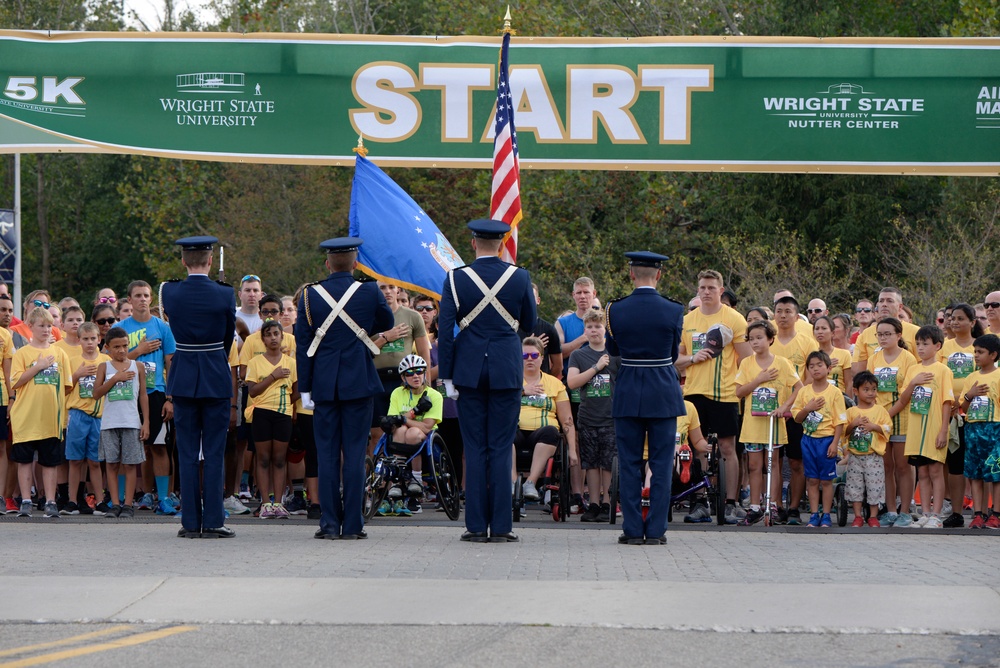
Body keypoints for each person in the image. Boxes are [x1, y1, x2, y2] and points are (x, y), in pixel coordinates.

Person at [438, 219, 536, 543]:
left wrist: (448, 376)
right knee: (500, 447)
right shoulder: (520, 277)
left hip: (467, 369)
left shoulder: (455, 278)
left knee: (475, 448)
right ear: (503, 243)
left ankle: (477, 526)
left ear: (473, 243)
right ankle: (503, 527)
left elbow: (446, 335)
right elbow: (530, 324)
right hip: (507, 368)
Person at [295, 237, 393, 540]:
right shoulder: (368, 291)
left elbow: (303, 346)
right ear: (354, 263)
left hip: (324, 383)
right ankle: (352, 525)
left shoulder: (310, 296)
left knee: (326, 456)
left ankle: (328, 525)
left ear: (327, 263)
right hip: (358, 382)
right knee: (353, 455)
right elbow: (386, 321)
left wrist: (306, 388)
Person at [605, 251, 685, 545]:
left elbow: (613, 350)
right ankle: (655, 531)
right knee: (662, 463)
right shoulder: (674, 310)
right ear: (659, 275)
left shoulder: (615, 309)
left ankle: (633, 530)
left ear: (631, 274)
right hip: (663, 389)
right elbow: (674, 353)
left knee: (629, 463)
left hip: (628, 390)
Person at [160, 236, 237, 539]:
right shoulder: (224, 293)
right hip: (215, 373)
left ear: (183, 261)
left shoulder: (170, 291)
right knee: (215, 452)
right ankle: (214, 520)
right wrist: (217, 355)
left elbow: (171, 321)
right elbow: (228, 336)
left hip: (184, 374)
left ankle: (190, 522)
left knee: (188, 452)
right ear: (209, 261)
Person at [677, 270, 751, 525]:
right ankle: (699, 503)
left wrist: (741, 384)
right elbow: (675, 360)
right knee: (697, 448)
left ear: (721, 290)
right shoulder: (687, 320)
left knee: (728, 448)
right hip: (694, 393)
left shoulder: (734, 319)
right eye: (702, 287)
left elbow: (748, 359)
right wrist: (691, 359)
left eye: (711, 287)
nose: (706, 292)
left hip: (725, 394)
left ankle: (730, 503)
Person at [734, 320, 801, 525]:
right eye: (751, 339)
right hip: (753, 423)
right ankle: (754, 506)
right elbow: (739, 392)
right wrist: (759, 379)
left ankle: (773, 504)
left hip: (774, 423)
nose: (755, 342)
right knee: (754, 465)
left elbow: (799, 387)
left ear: (770, 339)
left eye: (759, 338)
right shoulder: (746, 363)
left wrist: (785, 407)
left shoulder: (782, 363)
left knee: (773, 464)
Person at [119, 280, 176, 516]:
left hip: (156, 393)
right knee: (127, 448)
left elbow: (172, 362)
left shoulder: (163, 327)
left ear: (151, 299)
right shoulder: (121, 328)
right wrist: (138, 351)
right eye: (137, 295)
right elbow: (113, 362)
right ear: (129, 300)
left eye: (146, 295)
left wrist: (170, 397)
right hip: (127, 394)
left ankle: (162, 498)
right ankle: (122, 498)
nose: (142, 299)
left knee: (159, 447)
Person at [9, 307, 72, 518]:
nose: (46, 330)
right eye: (41, 326)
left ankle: (51, 501)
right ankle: (26, 500)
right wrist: (38, 366)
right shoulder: (22, 353)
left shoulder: (59, 353)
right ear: (30, 326)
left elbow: (67, 385)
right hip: (26, 416)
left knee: (50, 461)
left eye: (49, 326)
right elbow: (16, 381)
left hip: (51, 418)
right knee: (25, 460)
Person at [891, 325, 954, 529]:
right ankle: (925, 513)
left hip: (935, 427)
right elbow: (903, 398)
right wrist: (913, 383)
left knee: (936, 471)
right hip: (916, 429)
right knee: (923, 472)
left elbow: (947, 402)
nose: (920, 348)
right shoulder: (913, 369)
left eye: (925, 344)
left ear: (937, 346)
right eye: (918, 344)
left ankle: (937, 514)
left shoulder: (943, 370)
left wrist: (944, 429)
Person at [566, 310, 618, 522]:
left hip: (611, 416)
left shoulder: (615, 354)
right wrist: (596, 367)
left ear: (604, 329)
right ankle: (594, 503)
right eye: (589, 327)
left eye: (598, 327)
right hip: (588, 416)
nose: (594, 331)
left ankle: (607, 503)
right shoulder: (579, 355)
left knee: (607, 463)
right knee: (591, 463)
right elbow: (572, 383)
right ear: (584, 330)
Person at [92, 326, 149, 520]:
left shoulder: (137, 366)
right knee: (112, 463)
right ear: (107, 347)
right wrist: (116, 378)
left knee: (131, 464)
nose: (121, 350)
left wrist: (146, 421)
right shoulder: (104, 367)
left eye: (125, 346)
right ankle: (115, 503)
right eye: (116, 347)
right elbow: (96, 393)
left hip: (131, 421)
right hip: (109, 422)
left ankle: (128, 504)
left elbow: (143, 395)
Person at [376, 354, 443, 517]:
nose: (415, 376)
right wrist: (415, 413)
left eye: (419, 372)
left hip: (424, 437)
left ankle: (416, 479)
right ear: (403, 377)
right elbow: (392, 423)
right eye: (410, 373)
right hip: (401, 434)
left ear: (424, 374)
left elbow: (427, 426)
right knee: (399, 431)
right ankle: (398, 479)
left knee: (411, 432)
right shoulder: (397, 393)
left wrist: (405, 418)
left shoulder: (434, 395)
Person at [867, 317, 918, 527]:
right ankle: (889, 509)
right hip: (879, 420)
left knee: (903, 466)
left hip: (902, 418)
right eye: (879, 334)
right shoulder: (874, 359)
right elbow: (868, 389)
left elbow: (907, 393)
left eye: (887, 334)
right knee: (886, 466)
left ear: (899, 335)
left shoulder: (908, 359)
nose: (883, 338)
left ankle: (904, 510)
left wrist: (887, 414)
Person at [370, 280, 431, 456]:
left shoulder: (413, 316)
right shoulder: (369, 316)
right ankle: (380, 480)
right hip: (377, 380)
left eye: (391, 287)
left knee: (404, 431)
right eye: (382, 288)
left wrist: (426, 385)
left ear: (398, 290)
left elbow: (423, 355)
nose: (387, 292)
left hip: (405, 380)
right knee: (376, 434)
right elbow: (364, 352)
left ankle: (407, 477)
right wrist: (386, 338)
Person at [517, 336, 578, 506]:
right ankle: (514, 485)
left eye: (534, 356)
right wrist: (522, 390)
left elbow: (567, 419)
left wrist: (572, 449)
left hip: (542, 434)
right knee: (503, 433)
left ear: (542, 358)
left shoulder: (555, 384)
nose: (530, 359)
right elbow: (498, 404)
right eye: (525, 356)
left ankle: (530, 483)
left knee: (552, 431)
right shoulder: (511, 381)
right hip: (516, 430)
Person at [245, 319, 297, 519]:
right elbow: (253, 391)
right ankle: (265, 502)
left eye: (276, 333)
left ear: (282, 336)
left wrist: (285, 403)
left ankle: (279, 503)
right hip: (261, 413)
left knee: (279, 459)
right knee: (263, 458)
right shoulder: (255, 362)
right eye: (269, 334)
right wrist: (273, 377)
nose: (273, 337)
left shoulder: (291, 362)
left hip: (283, 414)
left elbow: (297, 390)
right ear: (263, 339)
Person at [940, 303, 984, 528]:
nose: (954, 322)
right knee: (954, 463)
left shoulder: (980, 345)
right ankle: (956, 512)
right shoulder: (944, 347)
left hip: (979, 414)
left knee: (979, 464)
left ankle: (983, 512)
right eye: (952, 318)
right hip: (952, 413)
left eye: (960, 318)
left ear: (972, 322)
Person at [792, 350, 847, 528]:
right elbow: (797, 418)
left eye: (819, 365)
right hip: (808, 440)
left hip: (826, 440)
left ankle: (826, 514)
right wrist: (808, 408)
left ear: (829, 368)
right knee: (812, 479)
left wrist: (835, 442)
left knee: (826, 480)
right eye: (811, 366)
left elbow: (840, 420)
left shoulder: (835, 392)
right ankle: (814, 514)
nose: (815, 369)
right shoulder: (804, 392)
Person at [60, 322, 109, 516]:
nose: (89, 343)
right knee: (75, 460)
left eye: (93, 339)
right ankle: (72, 501)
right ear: (79, 340)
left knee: (95, 461)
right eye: (85, 339)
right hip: (77, 414)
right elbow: (63, 388)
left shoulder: (106, 360)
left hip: (98, 416)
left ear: (99, 339)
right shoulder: (71, 360)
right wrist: (77, 374)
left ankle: (99, 500)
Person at [958, 334, 1000, 529]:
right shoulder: (971, 378)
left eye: (980, 352)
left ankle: (996, 514)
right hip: (973, 428)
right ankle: (978, 514)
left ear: (993, 355)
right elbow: (964, 408)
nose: (976, 355)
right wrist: (970, 394)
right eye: (975, 351)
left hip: (994, 428)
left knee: (995, 473)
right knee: (975, 474)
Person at [842, 371, 891, 527]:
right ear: (856, 391)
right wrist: (854, 423)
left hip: (873, 456)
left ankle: (873, 516)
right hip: (855, 456)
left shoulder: (880, 411)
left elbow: (888, 428)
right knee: (855, 485)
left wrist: (873, 426)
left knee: (874, 485)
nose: (871, 393)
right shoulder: (850, 412)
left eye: (874, 389)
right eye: (866, 389)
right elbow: (844, 431)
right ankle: (857, 516)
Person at [814, 316, 853, 397]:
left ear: (832, 333)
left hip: (839, 399)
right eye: (817, 329)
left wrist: (849, 405)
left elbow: (848, 383)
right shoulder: (811, 355)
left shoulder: (844, 354)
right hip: (817, 400)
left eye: (824, 328)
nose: (820, 332)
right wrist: (825, 365)